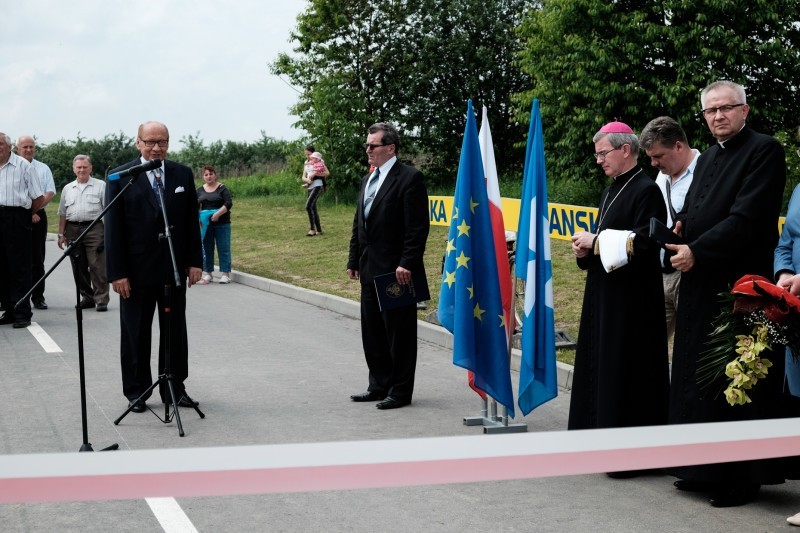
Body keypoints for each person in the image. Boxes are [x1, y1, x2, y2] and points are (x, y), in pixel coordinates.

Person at [666, 80, 787, 507]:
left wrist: (697, 250)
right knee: (699, 375)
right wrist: (682, 224)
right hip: (702, 281)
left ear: (744, 110)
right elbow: (698, 206)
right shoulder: (709, 156)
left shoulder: (764, 150)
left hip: (742, 285)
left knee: (737, 377)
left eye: (726, 108)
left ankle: (741, 477)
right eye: (710, 110)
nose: (718, 116)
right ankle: (703, 468)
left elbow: (747, 218)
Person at [568, 121, 670, 479]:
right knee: (601, 363)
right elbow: (605, 238)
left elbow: (646, 242)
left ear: (625, 150)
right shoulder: (611, 190)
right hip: (604, 294)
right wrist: (586, 249)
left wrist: (595, 242)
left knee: (625, 370)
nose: (599, 160)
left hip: (632, 301)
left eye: (603, 153)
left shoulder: (647, 190)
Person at [105, 121, 203, 413]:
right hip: (135, 272)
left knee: (175, 331)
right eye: (150, 142)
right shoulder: (120, 177)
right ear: (138, 142)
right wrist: (117, 272)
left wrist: (195, 262)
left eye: (162, 142)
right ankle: (136, 391)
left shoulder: (182, 173)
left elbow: (191, 222)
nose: (156, 148)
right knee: (135, 332)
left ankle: (174, 389)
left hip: (172, 268)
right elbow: (113, 229)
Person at [346, 122, 430, 410]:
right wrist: (353, 259)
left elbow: (417, 228)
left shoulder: (409, 178)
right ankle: (379, 385)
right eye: (367, 145)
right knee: (373, 332)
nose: (368, 150)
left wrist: (408, 262)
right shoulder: (368, 179)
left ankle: (400, 391)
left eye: (373, 145)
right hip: (369, 267)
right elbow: (359, 223)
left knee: (399, 334)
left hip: (396, 271)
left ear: (391, 148)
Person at [639, 117, 700, 351]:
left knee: (690, 348)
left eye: (658, 156)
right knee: (646, 345)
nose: (653, 163)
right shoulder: (663, 174)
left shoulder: (706, 172)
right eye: (650, 157)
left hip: (689, 274)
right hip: (659, 272)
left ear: (678, 146)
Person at [0, 132, 45, 328]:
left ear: (9, 146)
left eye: (0, 144)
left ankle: (22, 313)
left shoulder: (23, 166)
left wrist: (25, 216)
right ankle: (9, 310)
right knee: (2, 268)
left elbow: (39, 197)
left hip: (17, 217)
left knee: (20, 268)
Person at [56, 155, 109, 312]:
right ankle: (87, 297)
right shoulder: (67, 188)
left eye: (85, 167)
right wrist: (61, 234)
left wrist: (108, 234)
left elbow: (108, 211)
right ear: (74, 169)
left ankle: (101, 300)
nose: (82, 170)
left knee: (97, 265)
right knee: (78, 266)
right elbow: (62, 213)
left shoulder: (101, 186)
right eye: (78, 167)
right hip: (72, 229)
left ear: (90, 168)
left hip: (94, 228)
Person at [16, 136, 56, 310]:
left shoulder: (43, 168)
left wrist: (33, 210)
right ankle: (12, 298)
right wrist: (27, 213)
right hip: (17, 216)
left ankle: (38, 297)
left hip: (38, 215)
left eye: (31, 146)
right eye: (25, 147)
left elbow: (50, 192)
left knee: (37, 259)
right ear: (17, 148)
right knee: (14, 257)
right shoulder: (12, 166)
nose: (29, 150)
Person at [196, 165, 233, 284]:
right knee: (207, 248)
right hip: (206, 224)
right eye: (206, 174)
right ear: (203, 177)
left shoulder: (222, 188)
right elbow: (195, 205)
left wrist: (217, 214)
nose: (209, 176)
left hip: (222, 222)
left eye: (211, 174)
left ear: (215, 175)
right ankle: (208, 273)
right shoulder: (199, 190)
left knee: (223, 247)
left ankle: (225, 274)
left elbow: (228, 203)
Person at [301, 146, 329, 236]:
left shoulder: (319, 161)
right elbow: (303, 176)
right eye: (306, 155)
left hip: (317, 185)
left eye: (309, 154)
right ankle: (319, 230)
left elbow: (327, 173)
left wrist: (315, 174)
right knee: (313, 207)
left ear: (313, 153)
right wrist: (307, 180)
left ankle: (312, 229)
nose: (307, 156)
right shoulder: (306, 162)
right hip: (310, 186)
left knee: (308, 206)